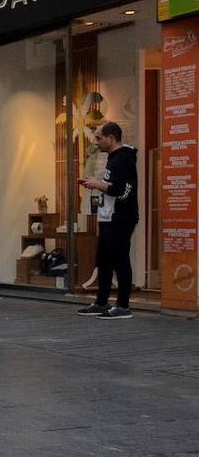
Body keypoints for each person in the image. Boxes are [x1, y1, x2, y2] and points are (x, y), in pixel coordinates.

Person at [78, 121, 139, 319]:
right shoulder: (114, 159)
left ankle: (123, 305)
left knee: (120, 259)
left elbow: (121, 191)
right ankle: (102, 302)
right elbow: (113, 186)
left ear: (111, 138)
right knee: (103, 260)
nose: (96, 142)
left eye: (99, 138)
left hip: (120, 217)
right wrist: (94, 183)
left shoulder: (123, 159)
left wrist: (97, 184)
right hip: (108, 216)